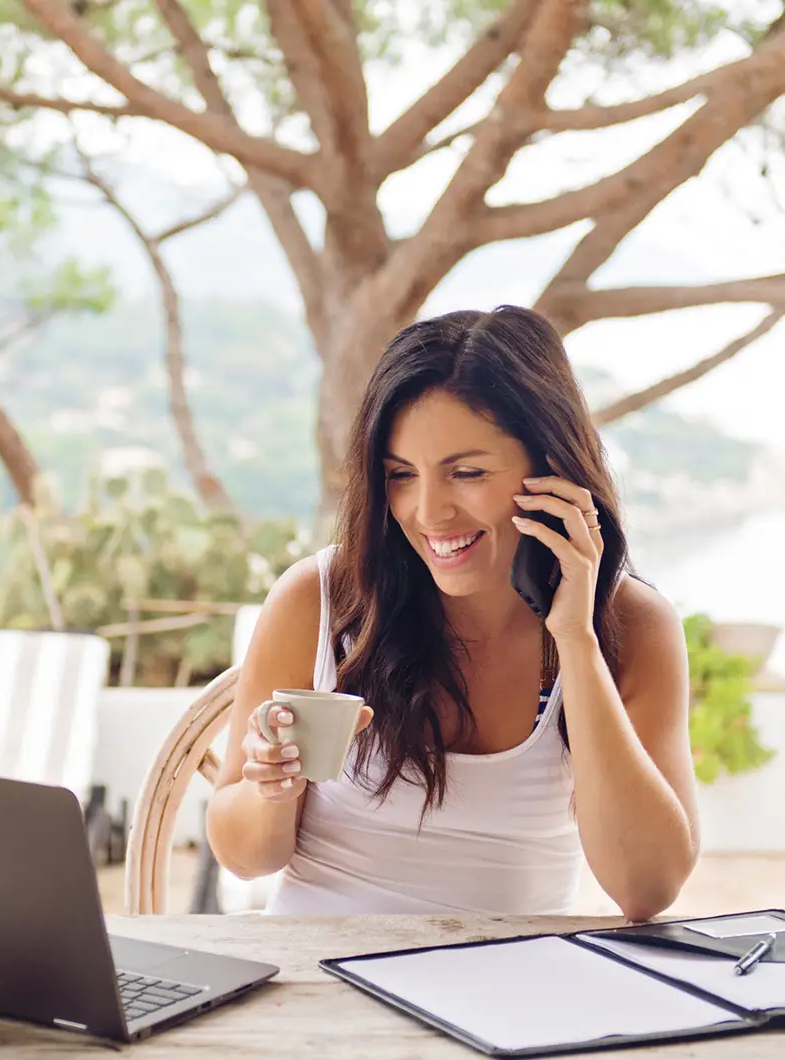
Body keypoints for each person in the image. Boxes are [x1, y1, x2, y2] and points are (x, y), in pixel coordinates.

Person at [206, 306, 697, 920]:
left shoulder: (634, 626)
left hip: (511, 991)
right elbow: (244, 857)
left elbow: (646, 888)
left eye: (467, 472)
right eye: (401, 475)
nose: (429, 513)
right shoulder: (323, 599)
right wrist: (269, 789)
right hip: (323, 977)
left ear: (551, 470)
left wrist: (575, 637)